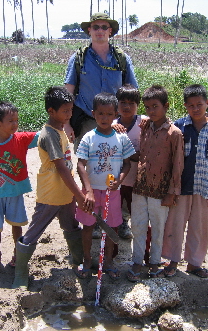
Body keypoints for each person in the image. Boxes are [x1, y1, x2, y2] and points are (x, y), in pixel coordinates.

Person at [12, 86, 94, 289]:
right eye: (65, 111)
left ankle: (77, 261)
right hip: (50, 193)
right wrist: (80, 195)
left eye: (71, 110)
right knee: (34, 232)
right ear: (51, 111)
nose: (70, 114)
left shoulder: (60, 129)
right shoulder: (49, 134)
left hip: (65, 194)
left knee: (71, 227)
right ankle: (20, 273)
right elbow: (61, 168)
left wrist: (74, 194)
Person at [162, 84, 208, 278]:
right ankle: (172, 260)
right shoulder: (179, 127)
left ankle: (194, 263)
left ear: (207, 103)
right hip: (181, 186)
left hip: (203, 186)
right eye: (191, 105)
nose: (195, 109)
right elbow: (170, 157)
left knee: (198, 226)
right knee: (175, 224)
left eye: (199, 104)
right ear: (185, 106)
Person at [127, 85, 184, 282]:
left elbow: (177, 165)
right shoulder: (145, 127)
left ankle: (154, 263)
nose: (151, 111)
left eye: (155, 107)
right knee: (138, 226)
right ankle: (137, 262)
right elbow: (141, 154)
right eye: (148, 107)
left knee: (158, 229)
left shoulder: (174, 133)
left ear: (166, 106)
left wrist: (172, 192)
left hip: (160, 190)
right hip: (141, 186)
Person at [75, 92, 135, 279]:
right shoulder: (89, 138)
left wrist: (120, 180)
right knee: (87, 226)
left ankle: (108, 261)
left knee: (111, 228)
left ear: (115, 114)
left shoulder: (121, 138)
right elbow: (80, 164)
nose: (104, 118)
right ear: (93, 114)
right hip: (91, 192)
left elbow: (128, 163)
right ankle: (86, 259)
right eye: (101, 114)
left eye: (109, 114)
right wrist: (89, 191)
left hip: (112, 192)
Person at [64, 12, 138, 149]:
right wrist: (66, 125)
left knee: (116, 165)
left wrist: (135, 121)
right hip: (86, 122)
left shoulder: (122, 59)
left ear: (110, 31)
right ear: (89, 30)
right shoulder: (78, 59)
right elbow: (68, 93)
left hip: (116, 123)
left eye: (104, 27)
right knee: (87, 166)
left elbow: (133, 93)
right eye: (96, 27)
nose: (100, 31)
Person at [0, 101, 39, 273]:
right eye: (11, 121)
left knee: (16, 225)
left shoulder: (20, 139)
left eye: (16, 120)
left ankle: (17, 253)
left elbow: (43, 135)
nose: (15, 124)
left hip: (15, 193)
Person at [113, 84, 145, 239]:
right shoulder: (111, 124)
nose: (127, 107)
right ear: (116, 104)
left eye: (131, 103)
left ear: (138, 106)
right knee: (116, 202)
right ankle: (118, 225)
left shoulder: (144, 122)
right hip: (118, 176)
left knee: (134, 205)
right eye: (123, 103)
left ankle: (130, 226)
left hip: (137, 177)